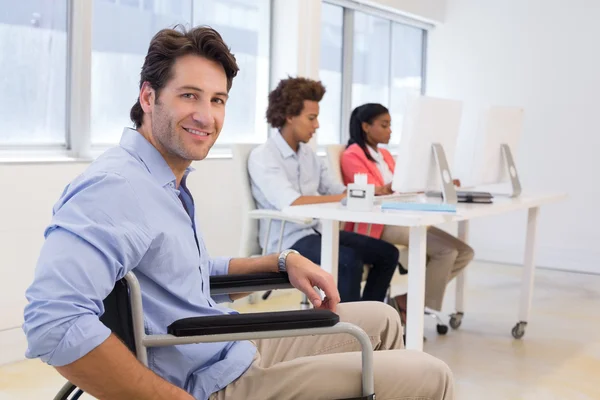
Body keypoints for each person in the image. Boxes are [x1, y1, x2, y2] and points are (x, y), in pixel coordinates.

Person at [22, 27, 454, 400]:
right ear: (148, 96)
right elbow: (53, 321)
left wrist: (281, 261)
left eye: (218, 99)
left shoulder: (160, 180)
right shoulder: (117, 187)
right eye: (189, 95)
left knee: (378, 318)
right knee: (432, 374)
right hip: (211, 380)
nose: (206, 115)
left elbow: (179, 276)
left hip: (228, 345)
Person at [248, 77, 402, 304]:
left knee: (387, 254)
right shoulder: (264, 156)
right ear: (290, 116)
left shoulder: (309, 155)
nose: (317, 125)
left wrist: (373, 191)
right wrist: (343, 197)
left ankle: (368, 320)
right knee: (348, 260)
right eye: (311, 118)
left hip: (318, 231)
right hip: (288, 241)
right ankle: (348, 331)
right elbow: (292, 203)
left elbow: (336, 189)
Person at [340, 103, 475, 323]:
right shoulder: (352, 155)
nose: (390, 130)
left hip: (400, 217)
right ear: (365, 126)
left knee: (464, 251)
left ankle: (407, 302)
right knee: (447, 252)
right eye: (384, 125)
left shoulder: (385, 154)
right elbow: (372, 193)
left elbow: (404, 186)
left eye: (390, 125)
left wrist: (439, 184)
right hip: (377, 224)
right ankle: (410, 308)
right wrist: (390, 189)